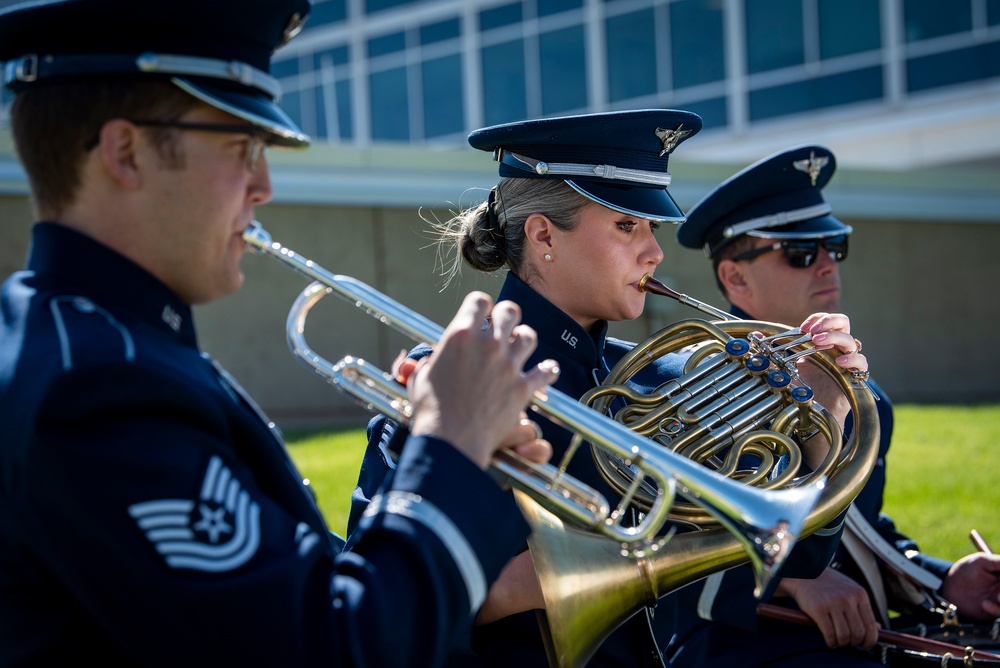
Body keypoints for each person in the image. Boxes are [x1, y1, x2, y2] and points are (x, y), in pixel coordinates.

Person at [0, 0, 562, 665]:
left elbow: (299, 594)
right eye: (243, 148)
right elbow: (331, 647)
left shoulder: (90, 340)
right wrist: (450, 447)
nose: (263, 185)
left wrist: (435, 454)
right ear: (126, 152)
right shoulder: (95, 385)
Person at [347, 112, 870, 666]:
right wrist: (552, 570)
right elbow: (381, 616)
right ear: (543, 233)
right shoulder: (449, 379)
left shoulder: (663, 377)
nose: (655, 252)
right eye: (627, 226)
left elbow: (789, 562)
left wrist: (823, 422)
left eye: (653, 228)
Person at [667, 144, 1000, 667]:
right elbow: (669, 543)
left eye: (833, 246)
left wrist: (943, 578)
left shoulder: (865, 399)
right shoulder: (690, 389)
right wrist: (792, 582)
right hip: (736, 644)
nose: (827, 265)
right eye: (801, 252)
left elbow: (862, 529)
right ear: (735, 278)